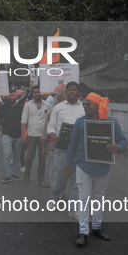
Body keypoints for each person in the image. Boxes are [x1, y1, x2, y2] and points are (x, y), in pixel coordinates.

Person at [66, 92, 127, 247]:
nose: (85, 106)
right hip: (83, 167)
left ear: (98, 106)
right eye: (85, 104)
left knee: (98, 199)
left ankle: (97, 228)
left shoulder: (111, 122)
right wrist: (69, 164)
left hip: (102, 168)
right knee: (84, 200)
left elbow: (122, 140)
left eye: (88, 104)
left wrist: (118, 147)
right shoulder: (80, 122)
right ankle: (83, 231)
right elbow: (72, 144)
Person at [46, 82, 85, 219]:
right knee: (58, 179)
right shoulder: (58, 107)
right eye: (70, 90)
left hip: (79, 150)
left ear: (78, 91)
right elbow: (51, 126)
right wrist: (53, 135)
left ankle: (73, 208)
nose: (72, 92)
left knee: (76, 180)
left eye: (74, 90)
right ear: (66, 92)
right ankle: (55, 198)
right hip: (62, 149)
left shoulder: (84, 108)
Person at [21, 87, 52, 187]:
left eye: (39, 92)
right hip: (31, 136)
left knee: (42, 159)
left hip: (43, 137)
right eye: (35, 92)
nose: (37, 94)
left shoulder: (47, 105)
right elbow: (24, 121)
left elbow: (51, 121)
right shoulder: (28, 105)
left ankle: (41, 180)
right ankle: (26, 175)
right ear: (33, 94)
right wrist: (23, 135)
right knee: (29, 157)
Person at [0, 90, 24, 183]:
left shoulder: (21, 107)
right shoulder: (3, 107)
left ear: (16, 97)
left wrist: (23, 134)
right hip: (6, 134)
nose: (11, 97)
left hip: (18, 135)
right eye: (10, 96)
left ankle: (14, 174)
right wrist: (0, 124)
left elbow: (24, 121)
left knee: (17, 156)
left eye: (13, 96)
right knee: (7, 154)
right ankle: (8, 175)